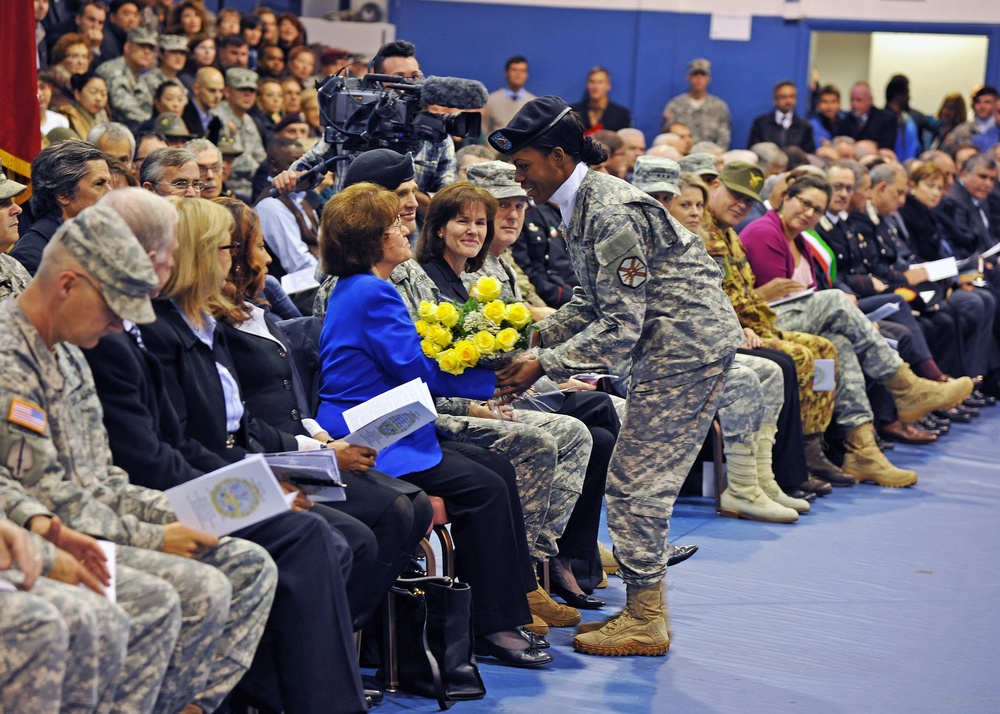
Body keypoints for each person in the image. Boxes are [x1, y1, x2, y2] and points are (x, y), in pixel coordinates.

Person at [86, 190, 372, 713]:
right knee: (315, 538)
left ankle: (287, 692)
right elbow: (156, 458)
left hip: (199, 478)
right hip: (157, 499)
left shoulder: (195, 328)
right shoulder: (132, 336)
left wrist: (266, 482)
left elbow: (205, 438)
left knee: (346, 533)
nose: (242, 260)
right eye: (227, 248)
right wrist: (258, 492)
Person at [489, 96, 743, 656]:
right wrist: (528, 340)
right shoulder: (580, 204)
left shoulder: (609, 210)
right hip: (670, 345)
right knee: (633, 480)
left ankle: (645, 619)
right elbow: (588, 301)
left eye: (525, 168)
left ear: (557, 157)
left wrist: (541, 364)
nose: (519, 180)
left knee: (634, 484)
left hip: (684, 350)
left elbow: (620, 328)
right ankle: (642, 611)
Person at [0, 205, 277, 714]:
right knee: (176, 595)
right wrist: (155, 535)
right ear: (67, 285)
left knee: (247, 563)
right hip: (52, 535)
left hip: (85, 526)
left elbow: (101, 478)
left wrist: (181, 515)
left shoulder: (66, 353)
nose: (114, 326)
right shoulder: (8, 354)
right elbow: (47, 496)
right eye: (111, 308)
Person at [316, 182, 553, 667]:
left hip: (392, 422)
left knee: (496, 469)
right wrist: (496, 383)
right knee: (485, 486)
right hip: (372, 435)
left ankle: (505, 609)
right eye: (393, 225)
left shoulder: (359, 288)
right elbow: (418, 370)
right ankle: (493, 625)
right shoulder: (373, 293)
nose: (406, 227)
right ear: (370, 240)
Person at [719, 163, 971, 483]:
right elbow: (763, 302)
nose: (810, 213)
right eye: (804, 203)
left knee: (841, 345)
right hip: (767, 322)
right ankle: (905, 385)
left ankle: (861, 448)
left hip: (789, 318)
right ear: (785, 198)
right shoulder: (763, 231)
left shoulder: (801, 239)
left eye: (817, 209)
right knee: (838, 302)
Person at [10, 141, 112, 276]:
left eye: (109, 183)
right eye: (99, 184)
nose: (110, 191)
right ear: (64, 194)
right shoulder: (31, 257)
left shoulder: (100, 240)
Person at [213, 68, 266, 202]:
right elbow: (231, 163)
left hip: (251, 187)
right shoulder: (218, 117)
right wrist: (258, 169)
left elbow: (261, 156)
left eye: (252, 91)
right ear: (227, 91)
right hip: (229, 187)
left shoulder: (248, 119)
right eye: (242, 90)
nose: (248, 95)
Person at [662, 58, 732, 150]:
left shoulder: (719, 107)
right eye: (695, 74)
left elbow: (724, 139)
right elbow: (668, 135)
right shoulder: (675, 105)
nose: (699, 79)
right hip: (681, 155)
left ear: (708, 79)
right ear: (688, 77)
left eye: (703, 75)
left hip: (710, 156)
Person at [96, 26, 157, 131]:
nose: (147, 52)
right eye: (142, 46)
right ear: (127, 47)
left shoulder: (141, 75)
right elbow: (124, 109)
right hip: (112, 131)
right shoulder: (112, 69)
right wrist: (155, 123)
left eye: (151, 48)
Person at [748, 80, 816, 154]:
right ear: (775, 99)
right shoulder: (760, 123)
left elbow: (809, 154)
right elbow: (753, 150)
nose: (788, 101)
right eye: (784, 97)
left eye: (792, 97)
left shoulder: (805, 126)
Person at [483, 55, 536, 136]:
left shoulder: (533, 103)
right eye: (514, 70)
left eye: (522, 71)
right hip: (494, 147)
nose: (518, 74)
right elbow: (484, 129)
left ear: (526, 75)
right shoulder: (492, 100)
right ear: (506, 73)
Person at [570, 66, 631, 133]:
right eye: (592, 82)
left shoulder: (621, 115)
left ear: (608, 86)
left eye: (600, 82)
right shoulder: (574, 112)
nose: (595, 86)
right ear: (587, 85)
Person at [843, 81, 897, 151]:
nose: (854, 104)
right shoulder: (846, 120)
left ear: (870, 100)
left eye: (858, 100)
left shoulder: (886, 119)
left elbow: (887, 145)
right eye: (852, 100)